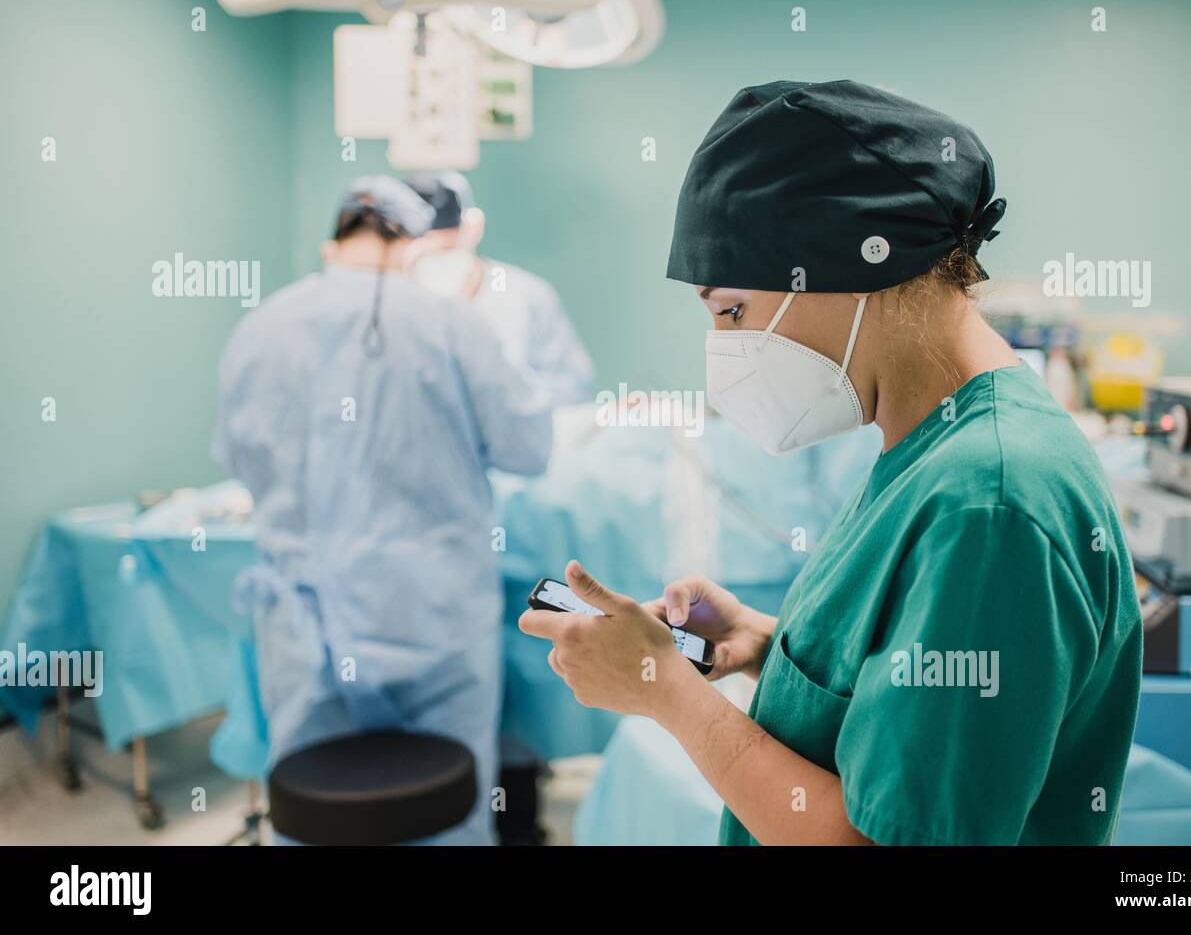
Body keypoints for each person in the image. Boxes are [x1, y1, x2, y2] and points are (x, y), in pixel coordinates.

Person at [520, 81, 1143, 845]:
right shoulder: (931, 445)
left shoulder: (992, 500)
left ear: (850, 269)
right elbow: (916, 693)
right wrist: (768, 647)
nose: (725, 350)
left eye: (732, 312)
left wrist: (666, 689)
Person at [213, 175, 554, 845]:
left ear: (335, 240)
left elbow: (236, 459)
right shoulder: (450, 322)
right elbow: (529, 446)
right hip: (433, 619)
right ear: (411, 246)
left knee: (316, 806)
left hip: (304, 627)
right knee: (446, 807)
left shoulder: (258, 329)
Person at [406, 171, 595, 405]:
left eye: (445, 249)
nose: (435, 262)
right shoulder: (388, 306)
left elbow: (574, 392)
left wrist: (509, 389)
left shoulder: (526, 296)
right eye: (423, 253)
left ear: (474, 227)